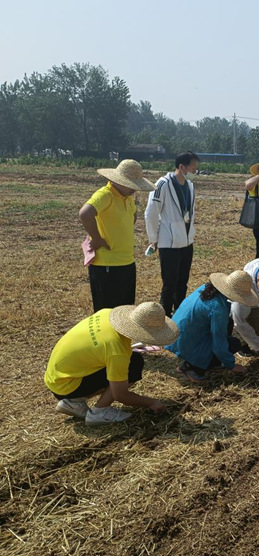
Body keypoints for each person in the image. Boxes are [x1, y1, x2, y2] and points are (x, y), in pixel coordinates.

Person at [45, 302, 178, 424]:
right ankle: (100, 412)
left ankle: (74, 403)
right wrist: (151, 403)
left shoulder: (107, 313)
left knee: (128, 359)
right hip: (67, 386)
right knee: (134, 364)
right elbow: (120, 395)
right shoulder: (117, 350)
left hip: (55, 378)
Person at [79, 160, 155, 311]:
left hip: (127, 262)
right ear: (118, 181)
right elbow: (85, 214)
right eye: (131, 185)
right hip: (107, 265)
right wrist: (97, 238)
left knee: (125, 310)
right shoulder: (105, 195)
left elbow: (133, 216)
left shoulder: (128, 198)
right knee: (107, 312)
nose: (134, 189)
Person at [166, 270, 259, 382]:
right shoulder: (218, 308)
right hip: (186, 342)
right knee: (233, 344)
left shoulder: (205, 288)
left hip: (176, 335)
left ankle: (206, 362)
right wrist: (231, 364)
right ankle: (194, 368)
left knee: (228, 323)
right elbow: (219, 343)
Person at [144, 151, 200, 316]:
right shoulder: (162, 184)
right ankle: (165, 316)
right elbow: (151, 212)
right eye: (193, 168)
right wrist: (153, 239)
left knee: (183, 282)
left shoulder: (190, 186)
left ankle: (180, 315)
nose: (195, 171)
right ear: (182, 167)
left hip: (187, 241)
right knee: (170, 284)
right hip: (169, 242)